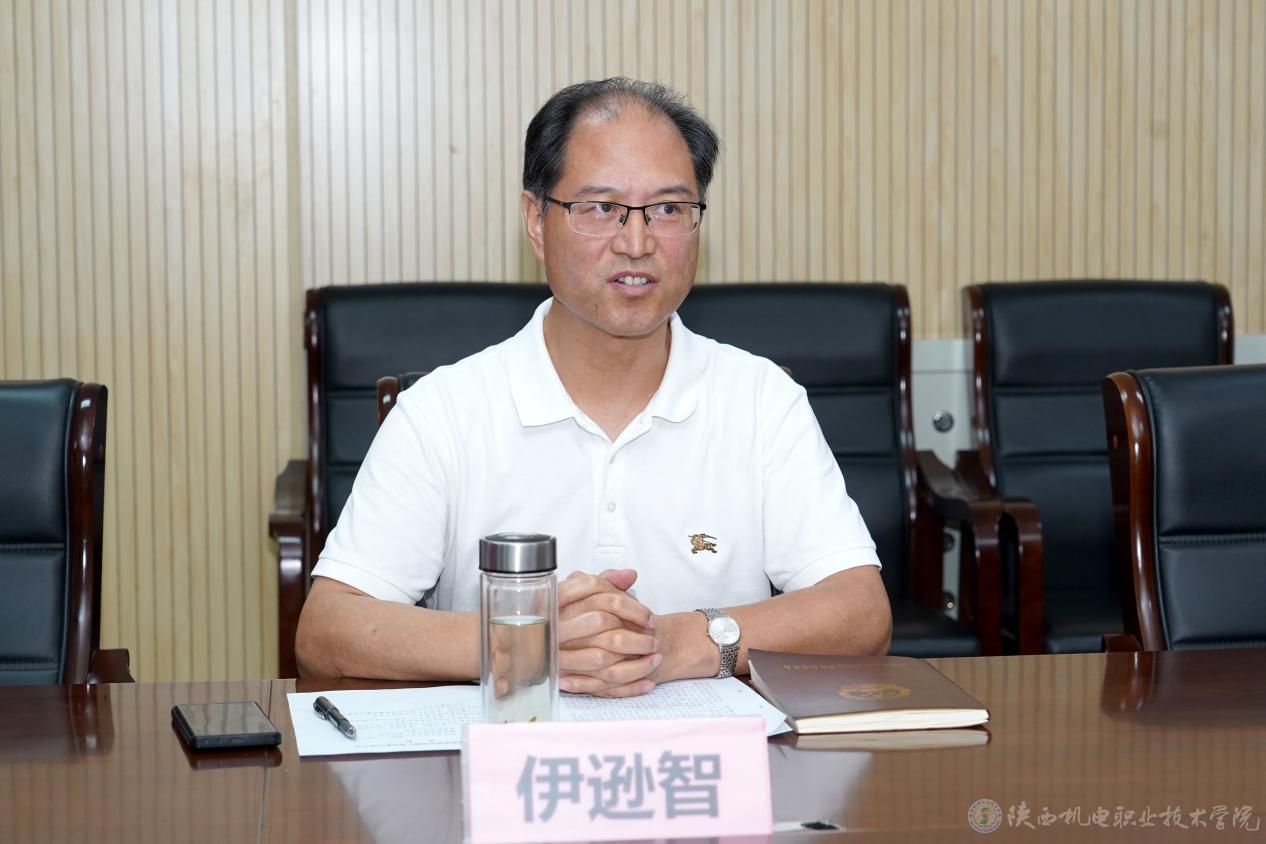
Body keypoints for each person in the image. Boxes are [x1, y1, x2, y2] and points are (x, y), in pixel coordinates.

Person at [295, 78, 891, 696]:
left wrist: (674, 643)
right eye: (601, 208)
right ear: (536, 221)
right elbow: (327, 631)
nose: (637, 243)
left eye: (669, 209)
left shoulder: (762, 400)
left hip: (709, 755)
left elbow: (861, 612)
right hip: (508, 749)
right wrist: (528, 643)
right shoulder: (442, 412)